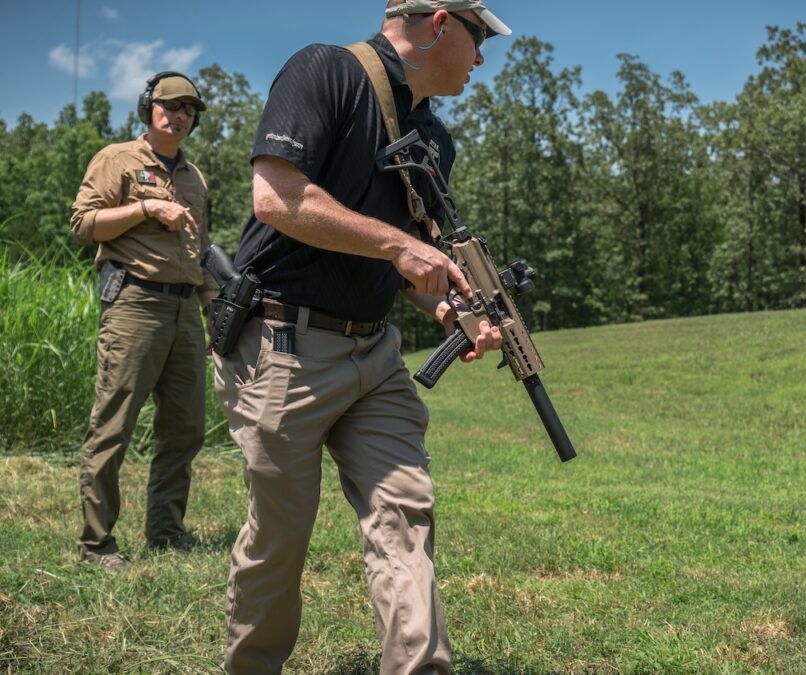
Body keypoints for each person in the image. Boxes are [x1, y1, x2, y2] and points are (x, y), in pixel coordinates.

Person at [212, 1, 511, 673]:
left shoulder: (436, 138)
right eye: (479, 37)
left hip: (374, 356)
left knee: (405, 518)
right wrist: (401, 248)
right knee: (280, 538)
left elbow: (412, 261)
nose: (483, 57)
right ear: (440, 23)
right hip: (285, 345)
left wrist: (451, 312)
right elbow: (276, 196)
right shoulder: (325, 71)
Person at [71, 71, 215, 572]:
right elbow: (83, 225)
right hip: (134, 302)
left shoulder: (195, 178)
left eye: (188, 109)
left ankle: (167, 530)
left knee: (185, 428)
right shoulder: (117, 159)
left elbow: (199, 251)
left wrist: (212, 307)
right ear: (147, 108)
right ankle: (96, 544)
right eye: (169, 105)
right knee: (114, 426)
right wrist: (146, 207)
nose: (178, 115)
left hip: (184, 309)